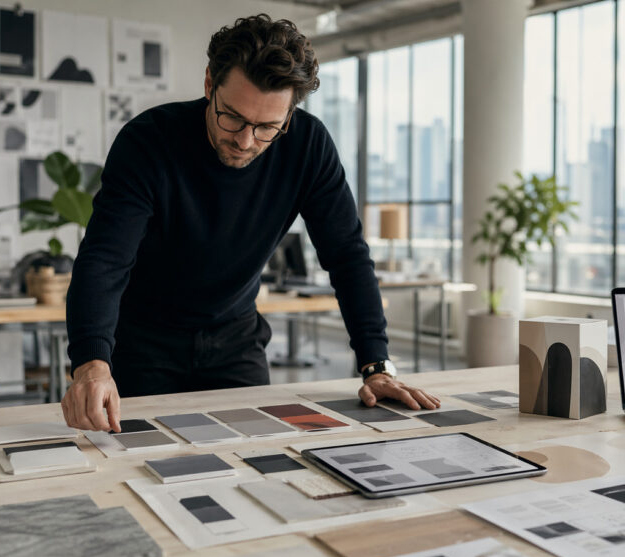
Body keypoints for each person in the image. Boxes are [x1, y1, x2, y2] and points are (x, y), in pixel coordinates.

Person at [62, 15, 439, 432]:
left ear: (290, 114)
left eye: (267, 128)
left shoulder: (308, 147)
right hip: (143, 344)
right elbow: (105, 259)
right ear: (210, 85)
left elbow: (347, 256)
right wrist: (91, 364)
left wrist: (376, 365)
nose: (245, 141)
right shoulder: (149, 142)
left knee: (256, 458)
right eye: (233, 118)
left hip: (235, 340)